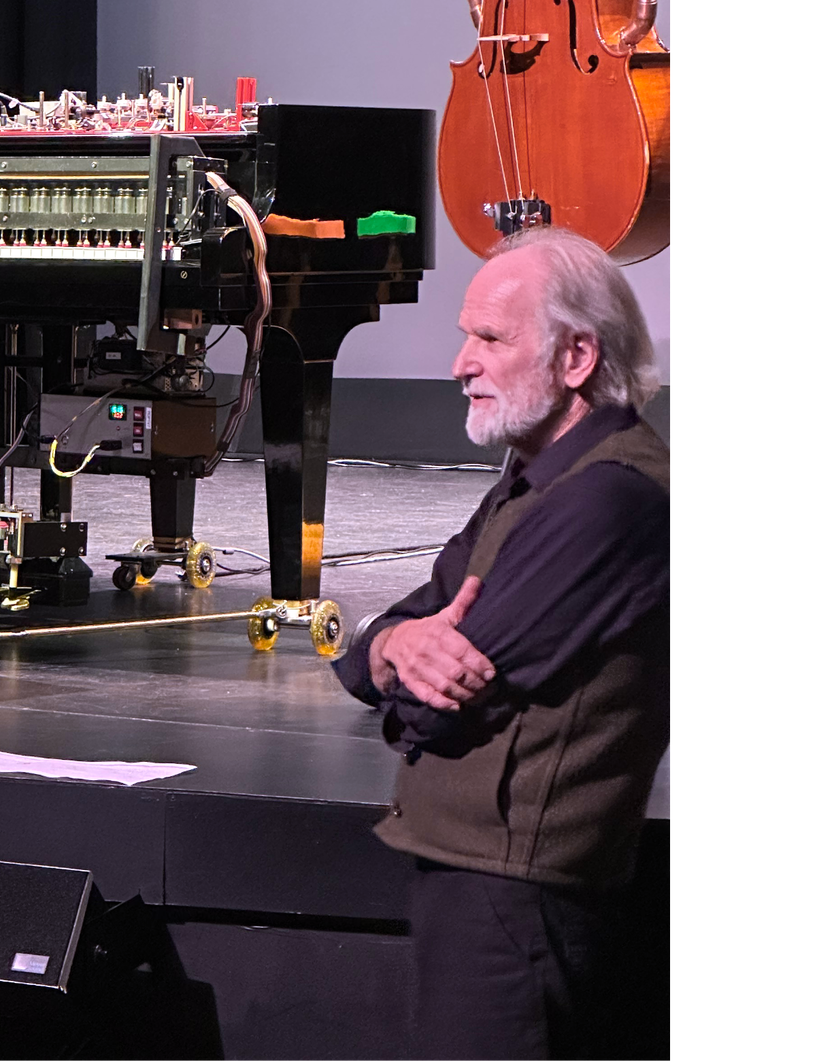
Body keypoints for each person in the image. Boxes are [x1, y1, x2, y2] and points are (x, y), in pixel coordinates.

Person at [331, 225, 670, 1061]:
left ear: (577, 357)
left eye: (489, 339)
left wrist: (397, 665)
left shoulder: (608, 500)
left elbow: (438, 711)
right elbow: (384, 642)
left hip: (522, 904)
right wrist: (393, 647)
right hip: (479, 884)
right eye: (465, 338)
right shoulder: (533, 480)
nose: (460, 365)